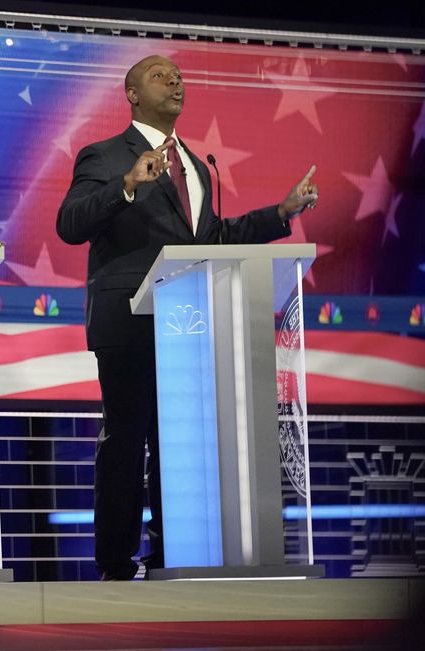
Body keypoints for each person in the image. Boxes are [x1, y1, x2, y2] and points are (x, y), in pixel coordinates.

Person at [56, 55, 319, 581]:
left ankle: (168, 555)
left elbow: (213, 241)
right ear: (131, 93)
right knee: (127, 439)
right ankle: (114, 561)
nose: (175, 82)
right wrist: (126, 184)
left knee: (176, 441)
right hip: (128, 319)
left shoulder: (198, 167)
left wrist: (280, 214)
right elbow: (70, 223)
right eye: (159, 75)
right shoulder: (105, 154)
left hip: (187, 325)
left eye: (178, 77)